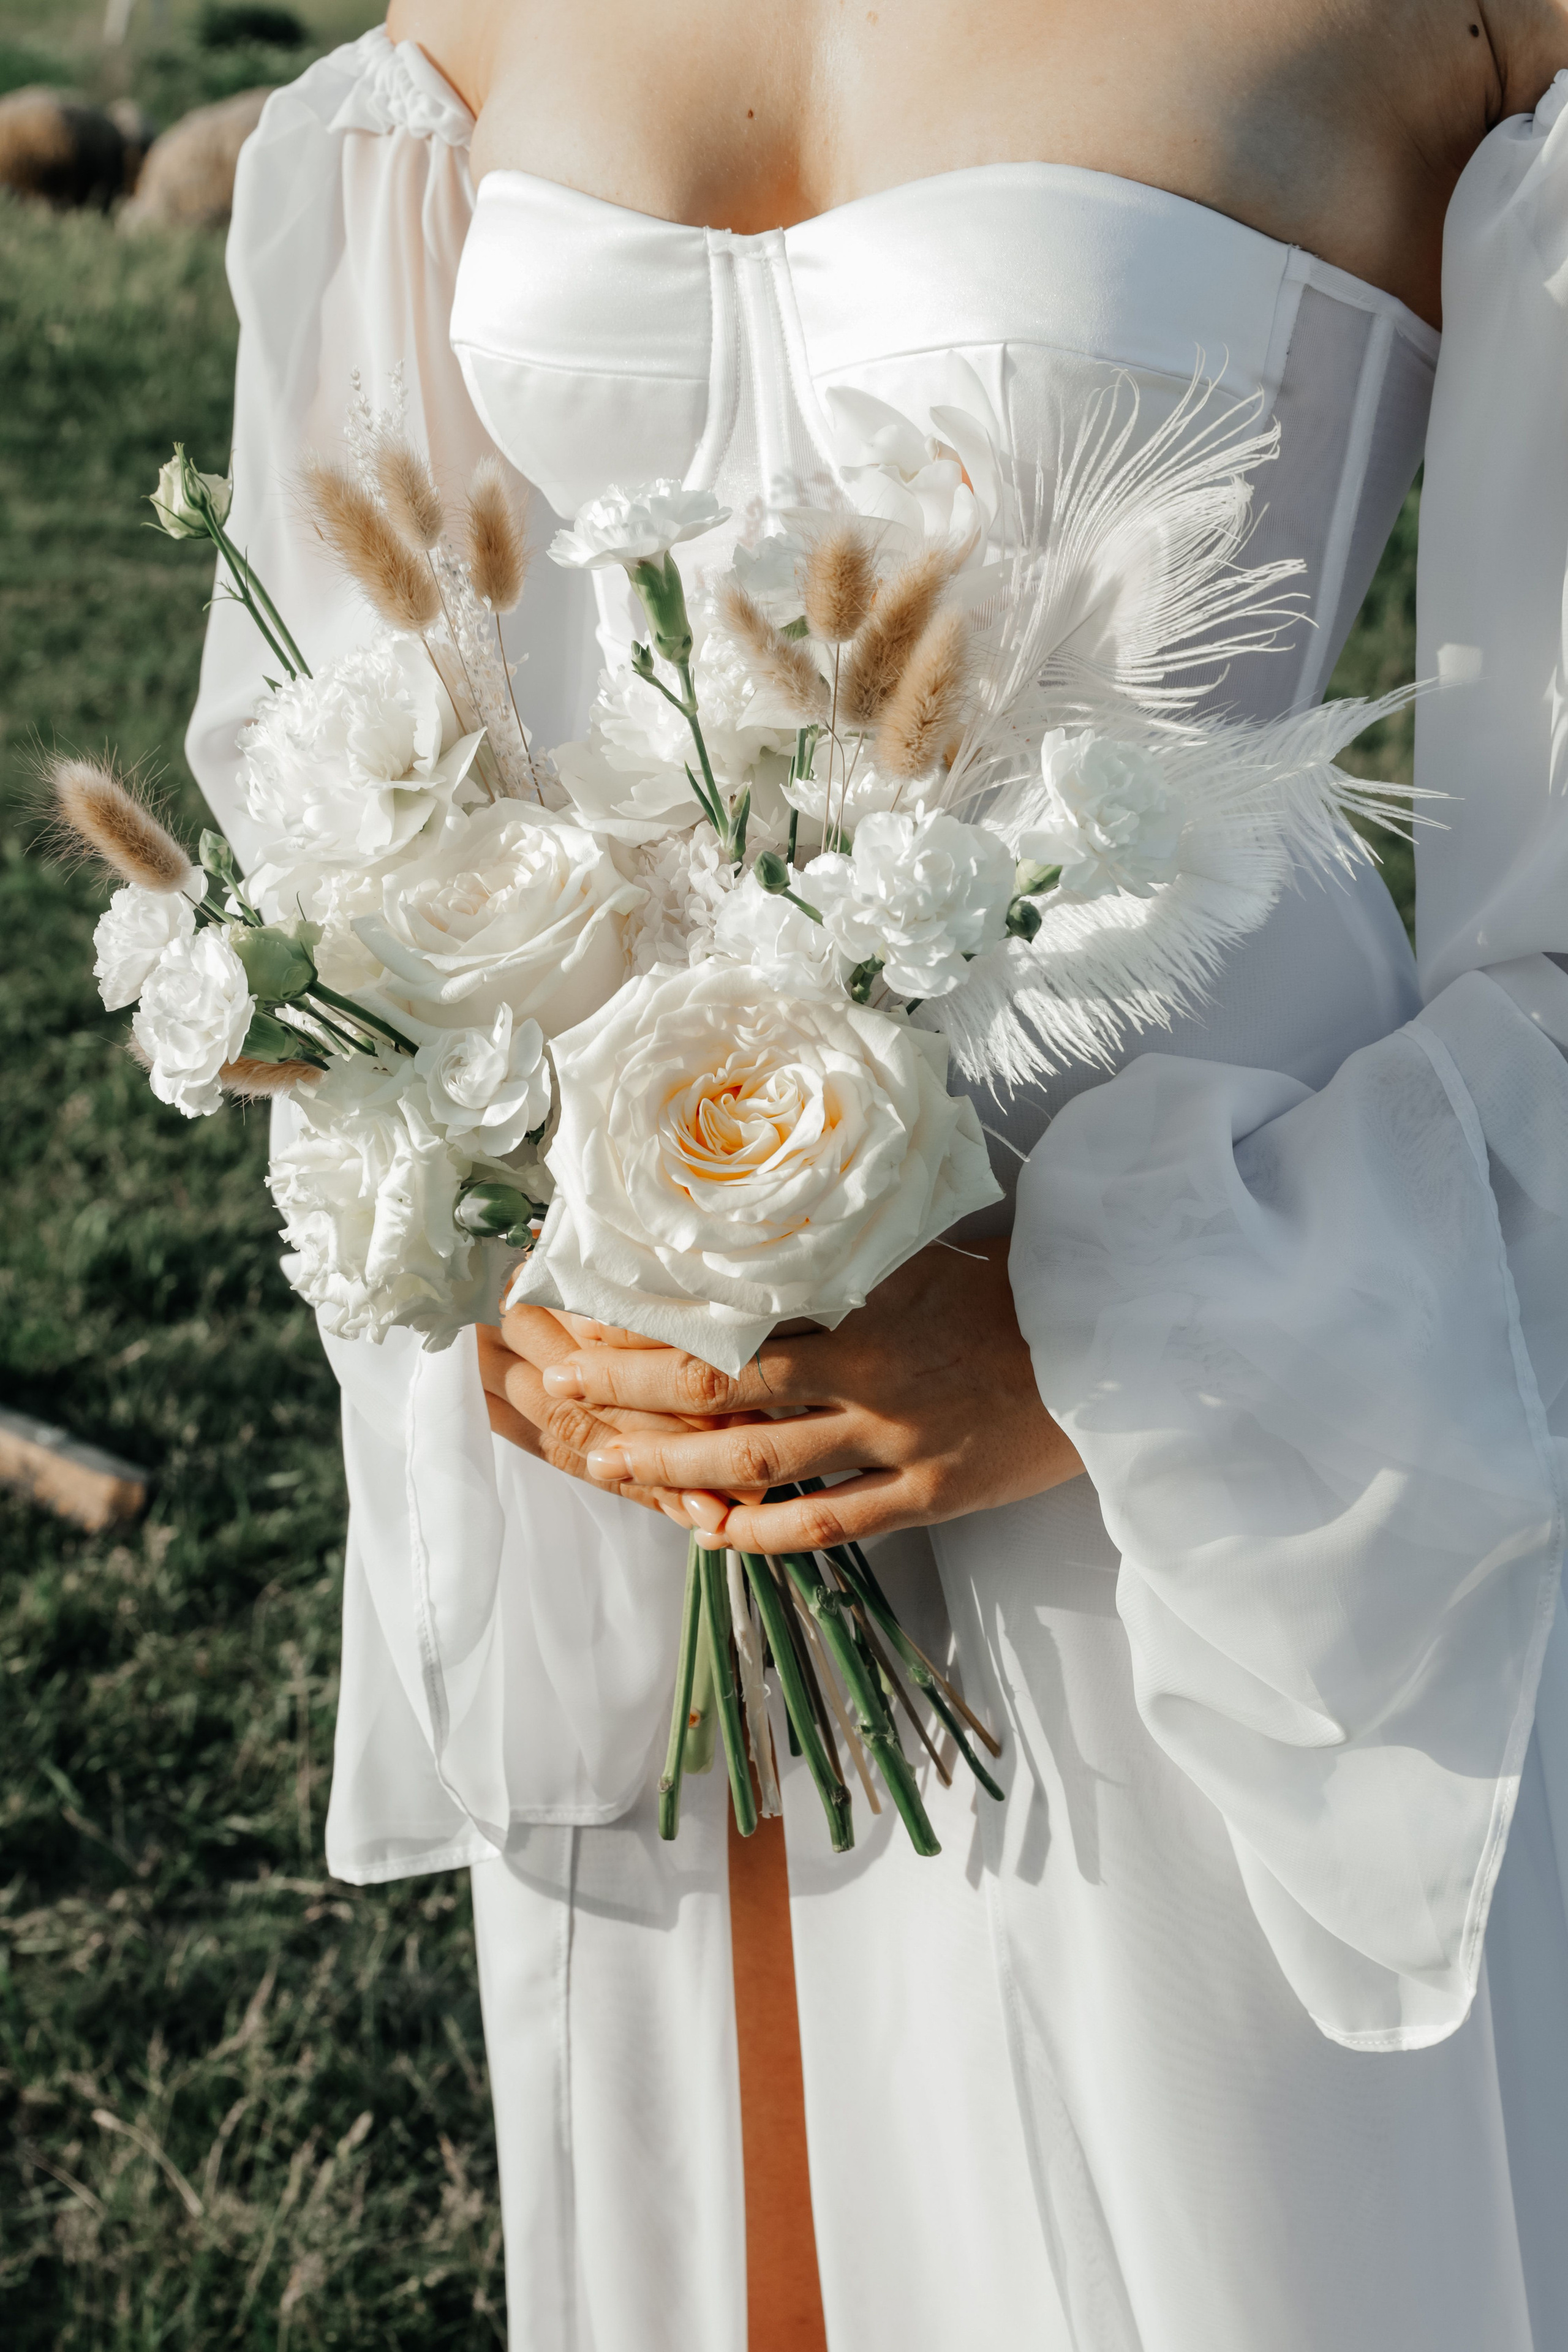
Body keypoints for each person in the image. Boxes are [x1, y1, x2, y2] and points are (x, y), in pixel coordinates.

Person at [184, 3, 1568, 2343]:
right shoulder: (449, 39)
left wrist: (1098, 1332)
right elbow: (343, 741)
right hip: (649, 1417)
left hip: (1219, 1441)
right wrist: (481, 1193)